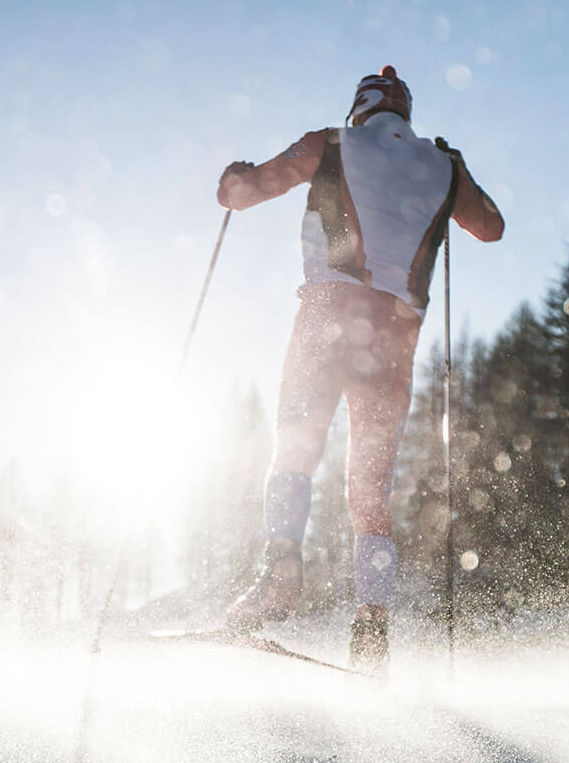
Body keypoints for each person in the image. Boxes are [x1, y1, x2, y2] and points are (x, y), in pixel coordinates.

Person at [215, 65, 505, 675]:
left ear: (361, 108)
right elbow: (491, 227)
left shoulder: (331, 142)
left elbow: (243, 192)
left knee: (296, 449)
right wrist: (458, 169)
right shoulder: (444, 166)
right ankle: (372, 627)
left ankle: (280, 571)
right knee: (370, 490)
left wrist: (233, 177)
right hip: (395, 339)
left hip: (327, 317)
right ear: (405, 111)